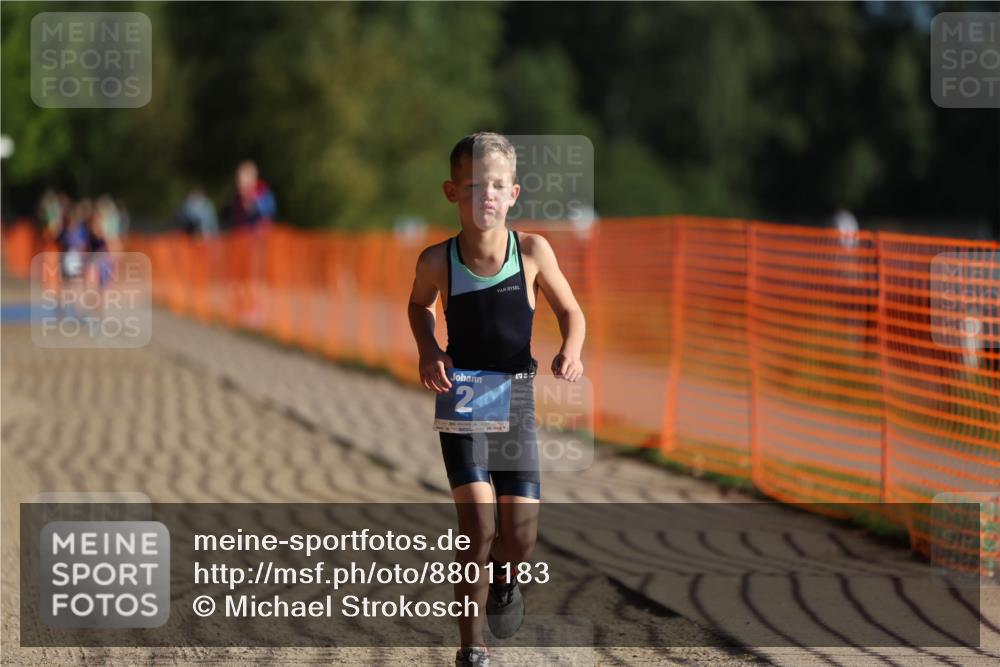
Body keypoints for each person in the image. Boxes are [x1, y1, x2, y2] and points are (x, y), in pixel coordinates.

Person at [407, 133, 585, 666]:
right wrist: (429, 350)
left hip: (517, 400)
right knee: (478, 527)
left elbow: (571, 312)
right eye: (474, 185)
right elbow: (419, 305)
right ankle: (472, 646)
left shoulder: (531, 251)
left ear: (514, 194)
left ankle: (506, 577)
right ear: (451, 192)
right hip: (464, 398)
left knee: (519, 539)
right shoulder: (437, 260)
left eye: (497, 185)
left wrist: (571, 351)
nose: (486, 194)